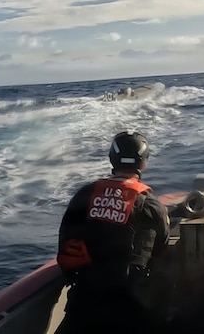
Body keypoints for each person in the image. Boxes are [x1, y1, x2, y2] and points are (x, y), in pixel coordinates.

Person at [53, 131, 171, 334]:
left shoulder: (84, 196)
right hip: (130, 311)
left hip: (82, 307)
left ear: (111, 159)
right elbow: (161, 249)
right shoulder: (150, 206)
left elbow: (65, 242)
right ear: (144, 163)